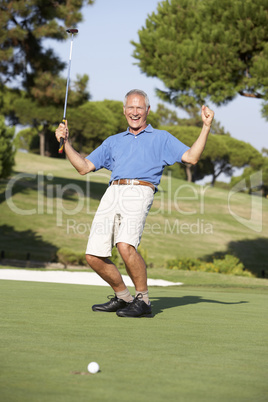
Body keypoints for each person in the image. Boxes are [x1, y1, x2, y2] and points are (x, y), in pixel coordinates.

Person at [55, 89, 214, 318]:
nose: (135, 112)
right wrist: (66, 142)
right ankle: (123, 297)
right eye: (131, 107)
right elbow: (83, 167)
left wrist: (206, 126)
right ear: (124, 111)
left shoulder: (162, 138)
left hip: (140, 190)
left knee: (124, 245)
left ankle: (144, 300)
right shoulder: (113, 141)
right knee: (93, 255)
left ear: (147, 110)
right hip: (112, 192)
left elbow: (191, 157)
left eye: (140, 107)